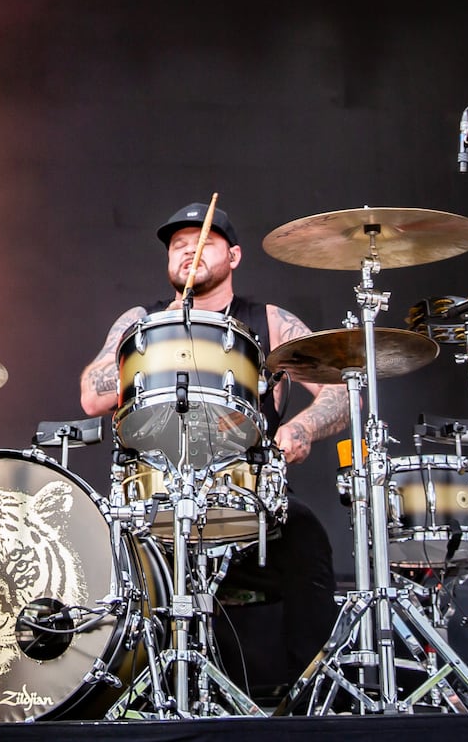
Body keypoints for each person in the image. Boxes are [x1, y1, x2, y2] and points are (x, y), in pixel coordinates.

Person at [79, 201, 349, 699]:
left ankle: (307, 699)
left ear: (235, 257)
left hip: (249, 499)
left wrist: (305, 427)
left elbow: (340, 389)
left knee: (307, 538)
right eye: (178, 246)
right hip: (153, 499)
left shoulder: (269, 321)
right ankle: (133, 695)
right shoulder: (141, 322)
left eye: (202, 243)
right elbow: (92, 395)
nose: (188, 251)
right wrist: (152, 350)